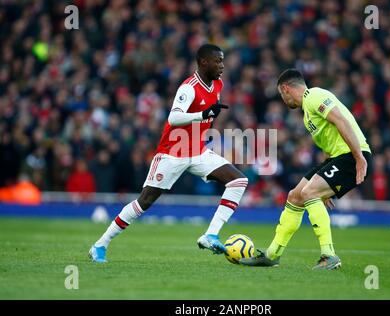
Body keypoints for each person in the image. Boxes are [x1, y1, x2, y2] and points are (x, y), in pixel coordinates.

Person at [89, 44, 248, 263]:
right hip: (172, 153)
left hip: (197, 151)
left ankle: (210, 235)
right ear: (203, 62)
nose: (222, 65)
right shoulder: (189, 87)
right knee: (144, 202)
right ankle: (100, 245)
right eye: (217, 61)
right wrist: (202, 114)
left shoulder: (218, 84)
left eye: (222, 61)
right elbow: (174, 117)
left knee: (238, 181)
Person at [240, 69, 372, 270]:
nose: (284, 101)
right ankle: (272, 254)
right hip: (338, 157)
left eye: (281, 95)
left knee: (309, 192)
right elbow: (330, 142)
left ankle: (329, 255)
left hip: (351, 155)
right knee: (295, 196)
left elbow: (341, 120)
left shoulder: (315, 96)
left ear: (285, 89)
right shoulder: (307, 113)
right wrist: (324, 185)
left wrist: (359, 157)